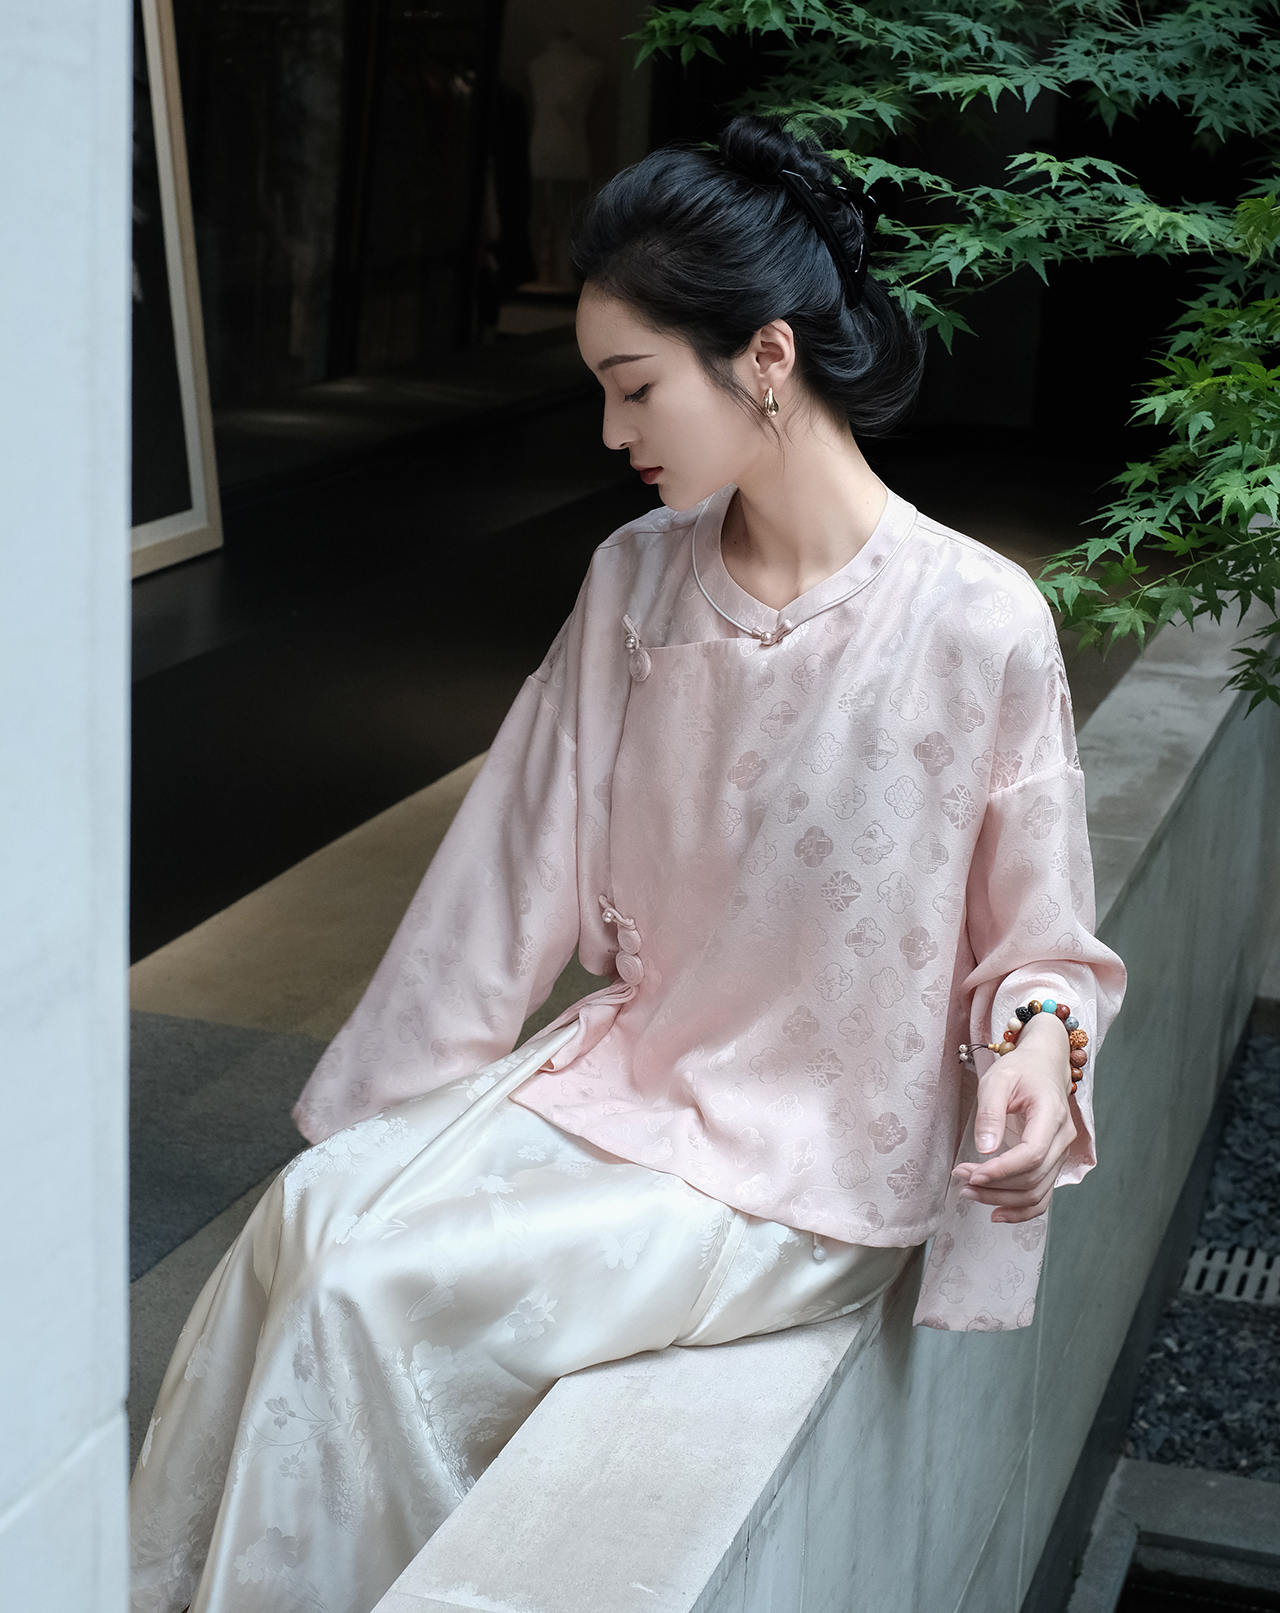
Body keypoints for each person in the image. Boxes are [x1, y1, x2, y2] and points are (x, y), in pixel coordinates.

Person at [129, 117, 1126, 1613]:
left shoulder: (979, 619)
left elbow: (1039, 946)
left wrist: (1041, 1045)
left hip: (810, 1163)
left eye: (635, 386)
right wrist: (379, 1123)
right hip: (633, 1079)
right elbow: (508, 871)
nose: (612, 432)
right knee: (309, 1217)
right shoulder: (636, 578)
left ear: (767, 358)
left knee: (367, 1293)